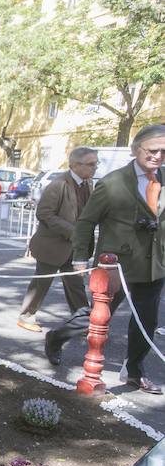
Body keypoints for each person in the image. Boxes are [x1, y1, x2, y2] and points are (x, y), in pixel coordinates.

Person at [45, 124, 165, 394]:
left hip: (153, 266)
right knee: (98, 317)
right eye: (153, 150)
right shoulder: (112, 183)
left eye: (164, 152)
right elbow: (86, 222)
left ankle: (134, 371)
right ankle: (56, 336)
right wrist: (80, 258)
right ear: (136, 151)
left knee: (146, 321)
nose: (158, 156)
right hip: (116, 265)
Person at [17, 147, 97, 332]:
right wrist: (72, 230)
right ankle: (26, 316)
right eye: (91, 164)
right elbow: (44, 213)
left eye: (95, 164)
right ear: (75, 165)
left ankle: (83, 321)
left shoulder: (87, 184)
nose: (95, 168)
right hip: (52, 247)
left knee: (76, 284)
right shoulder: (59, 184)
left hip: (74, 248)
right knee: (41, 283)